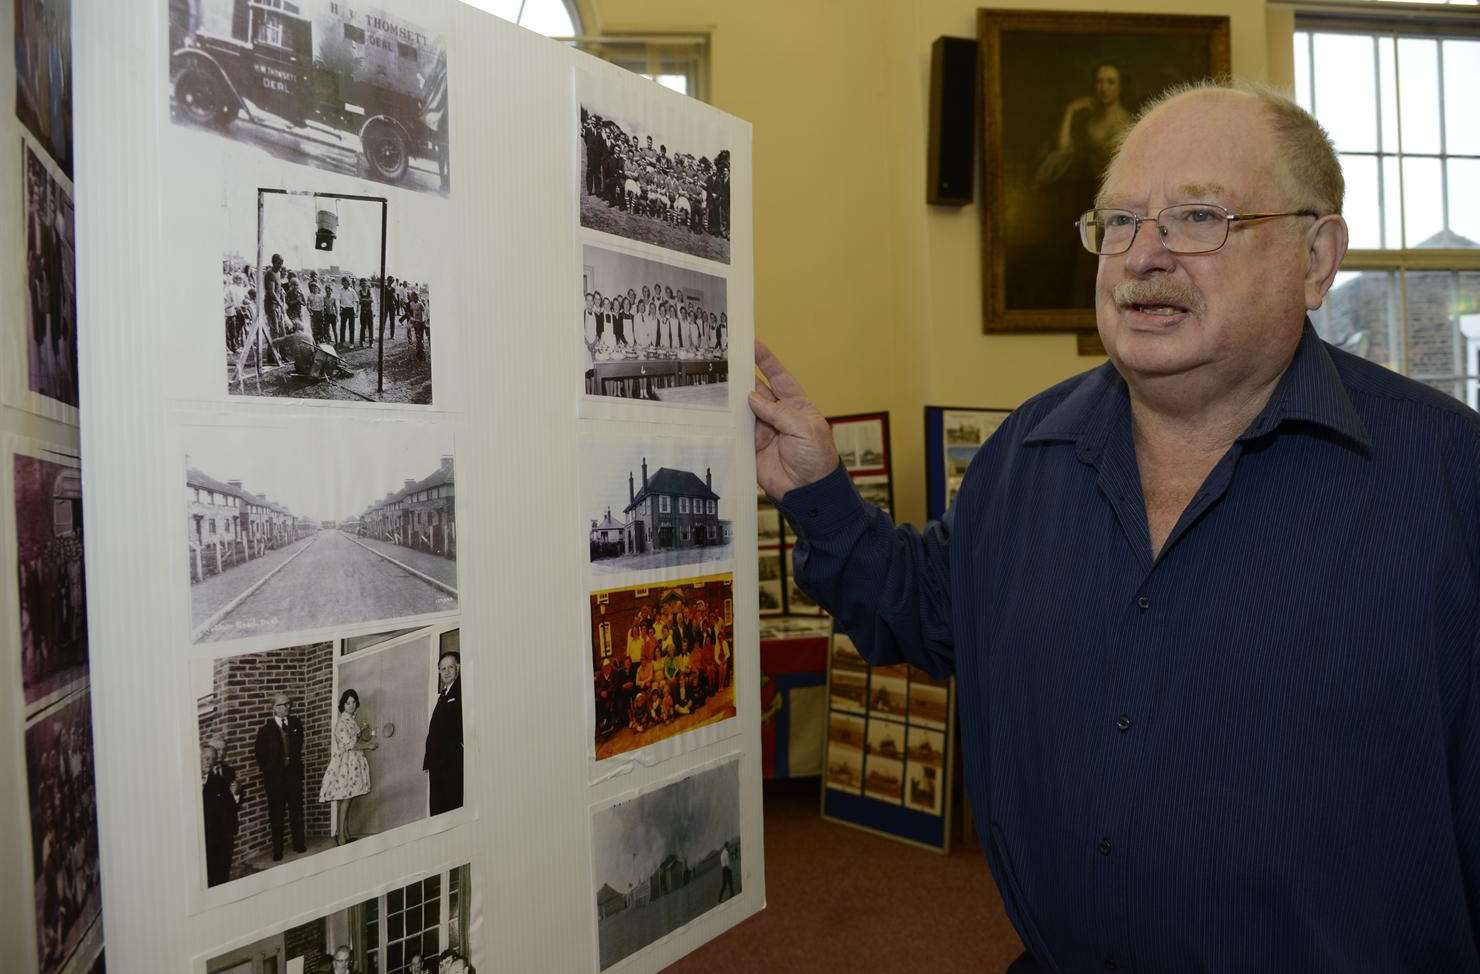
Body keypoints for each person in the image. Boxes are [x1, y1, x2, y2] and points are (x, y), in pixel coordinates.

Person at [749, 80, 1480, 971]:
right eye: (1119, 221)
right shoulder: (1027, 454)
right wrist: (817, 488)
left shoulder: (1447, 483)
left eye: (1198, 218)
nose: (1142, 256)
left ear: (1316, 258)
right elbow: (924, 609)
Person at [318, 688, 377, 845]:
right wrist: (368, 746)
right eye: (347, 703)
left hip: (354, 763)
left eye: (353, 702)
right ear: (343, 705)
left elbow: (355, 737)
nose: (351, 705)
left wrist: (363, 731)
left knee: (349, 797)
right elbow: (350, 744)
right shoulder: (341, 723)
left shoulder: (351, 720)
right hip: (345, 764)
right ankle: (340, 835)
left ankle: (345, 832)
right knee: (345, 798)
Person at [252, 692, 306, 862]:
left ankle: (299, 844)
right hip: (275, 780)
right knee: (277, 814)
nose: (286, 707)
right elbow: (260, 755)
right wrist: (271, 771)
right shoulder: (265, 730)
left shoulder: (296, 723)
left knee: (296, 811)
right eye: (282, 704)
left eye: (288, 704)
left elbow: (297, 746)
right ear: (274, 708)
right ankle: (278, 850)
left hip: (293, 776)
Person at [424, 651, 463, 815]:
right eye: (442, 668)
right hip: (438, 763)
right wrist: (429, 760)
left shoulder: (461, 691)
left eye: (450, 667)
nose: (446, 672)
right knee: (438, 807)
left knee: (451, 807)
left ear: (458, 668)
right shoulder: (444, 693)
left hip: (451, 763)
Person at [201, 738, 241, 887]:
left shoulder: (229, 771)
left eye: (224, 750)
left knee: (223, 872)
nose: (221, 754)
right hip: (208, 833)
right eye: (218, 750)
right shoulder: (198, 774)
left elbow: (233, 803)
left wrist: (236, 795)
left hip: (225, 832)